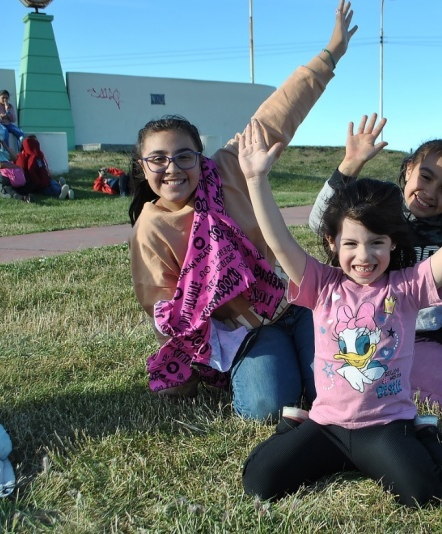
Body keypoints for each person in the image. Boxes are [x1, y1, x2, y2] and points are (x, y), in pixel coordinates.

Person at [127, 0, 357, 421]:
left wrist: (331, 54)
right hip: (244, 332)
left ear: (200, 156)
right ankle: (273, 361)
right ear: (142, 168)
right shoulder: (151, 228)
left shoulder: (230, 167)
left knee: (341, 383)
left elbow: (278, 115)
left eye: (183, 156)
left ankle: (304, 350)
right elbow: (164, 309)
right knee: (268, 407)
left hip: (294, 302)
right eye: (157, 159)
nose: (172, 168)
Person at [240, 118, 442, 507]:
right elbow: (278, 240)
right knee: (258, 481)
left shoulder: (405, 286)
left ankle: (423, 432)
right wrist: (255, 179)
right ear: (333, 243)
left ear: (392, 243)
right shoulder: (321, 283)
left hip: (386, 426)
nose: (364, 256)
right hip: (326, 426)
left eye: (377, 243)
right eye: (351, 243)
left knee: (427, 492)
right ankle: (294, 426)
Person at [308, 114, 442, 420]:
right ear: (409, 168)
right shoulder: (384, 214)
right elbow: (321, 222)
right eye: (425, 177)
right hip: (400, 335)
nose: (430, 193)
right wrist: (350, 164)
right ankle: (407, 377)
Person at [16, 135, 75, 200]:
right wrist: (38, 182)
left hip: (44, 179)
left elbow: (42, 166)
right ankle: (62, 191)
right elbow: (30, 171)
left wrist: (46, 173)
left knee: (51, 183)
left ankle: (63, 189)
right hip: (37, 183)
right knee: (48, 188)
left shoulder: (38, 155)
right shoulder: (27, 156)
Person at [0, 137, 31, 202]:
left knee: (26, 185)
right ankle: (23, 198)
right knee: (6, 190)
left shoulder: (1, 153)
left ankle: (26, 195)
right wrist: (14, 166)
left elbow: (15, 157)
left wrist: (6, 146)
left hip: (10, 178)